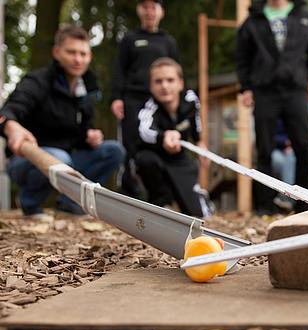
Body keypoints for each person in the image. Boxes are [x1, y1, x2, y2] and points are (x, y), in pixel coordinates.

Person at [0, 25, 125, 217]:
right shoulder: (37, 81)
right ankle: (30, 203)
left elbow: (78, 135)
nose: (78, 59)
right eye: (71, 52)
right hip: (25, 160)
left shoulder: (88, 90)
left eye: (83, 54)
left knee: (113, 151)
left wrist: (89, 137)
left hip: (65, 159)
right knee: (61, 157)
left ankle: (69, 203)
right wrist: (11, 126)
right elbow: (7, 112)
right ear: (57, 52)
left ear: (89, 57)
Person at [236, 0, 308, 214]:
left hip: (296, 89)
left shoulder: (303, 15)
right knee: (264, 149)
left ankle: (304, 204)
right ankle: (265, 206)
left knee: (303, 146)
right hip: (264, 90)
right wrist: (246, 87)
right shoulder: (253, 20)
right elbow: (242, 58)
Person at [111, 0, 179, 198]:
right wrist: (116, 98)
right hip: (132, 100)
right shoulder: (130, 39)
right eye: (145, 7)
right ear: (139, 11)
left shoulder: (168, 41)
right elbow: (119, 70)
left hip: (159, 103)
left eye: (154, 7)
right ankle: (128, 191)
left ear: (161, 12)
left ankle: (160, 194)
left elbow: (176, 72)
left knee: (159, 142)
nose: (150, 12)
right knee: (130, 145)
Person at [135, 58, 211, 217]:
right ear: (151, 86)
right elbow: (144, 131)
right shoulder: (149, 107)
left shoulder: (190, 100)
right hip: (155, 156)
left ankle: (199, 198)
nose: (164, 86)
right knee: (146, 161)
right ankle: (161, 202)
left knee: (197, 214)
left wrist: (200, 143)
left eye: (170, 80)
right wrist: (164, 136)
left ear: (180, 83)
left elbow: (196, 121)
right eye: (158, 81)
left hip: (179, 158)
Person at [271, 119, 296, 211]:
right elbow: (269, 136)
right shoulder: (274, 116)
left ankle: (284, 197)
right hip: (275, 150)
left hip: (290, 152)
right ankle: (288, 199)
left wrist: (290, 145)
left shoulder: (296, 115)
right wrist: (285, 142)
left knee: (291, 157)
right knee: (285, 163)